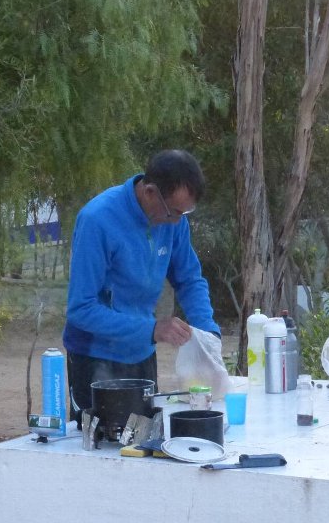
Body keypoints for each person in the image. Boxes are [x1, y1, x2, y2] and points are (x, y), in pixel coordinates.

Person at [63, 149, 221, 421]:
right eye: (174, 212)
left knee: (144, 446)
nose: (177, 221)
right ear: (150, 192)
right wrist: (152, 329)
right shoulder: (97, 220)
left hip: (142, 353)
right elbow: (81, 309)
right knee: (100, 451)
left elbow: (190, 279)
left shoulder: (174, 221)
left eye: (185, 213)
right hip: (95, 358)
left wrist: (207, 332)